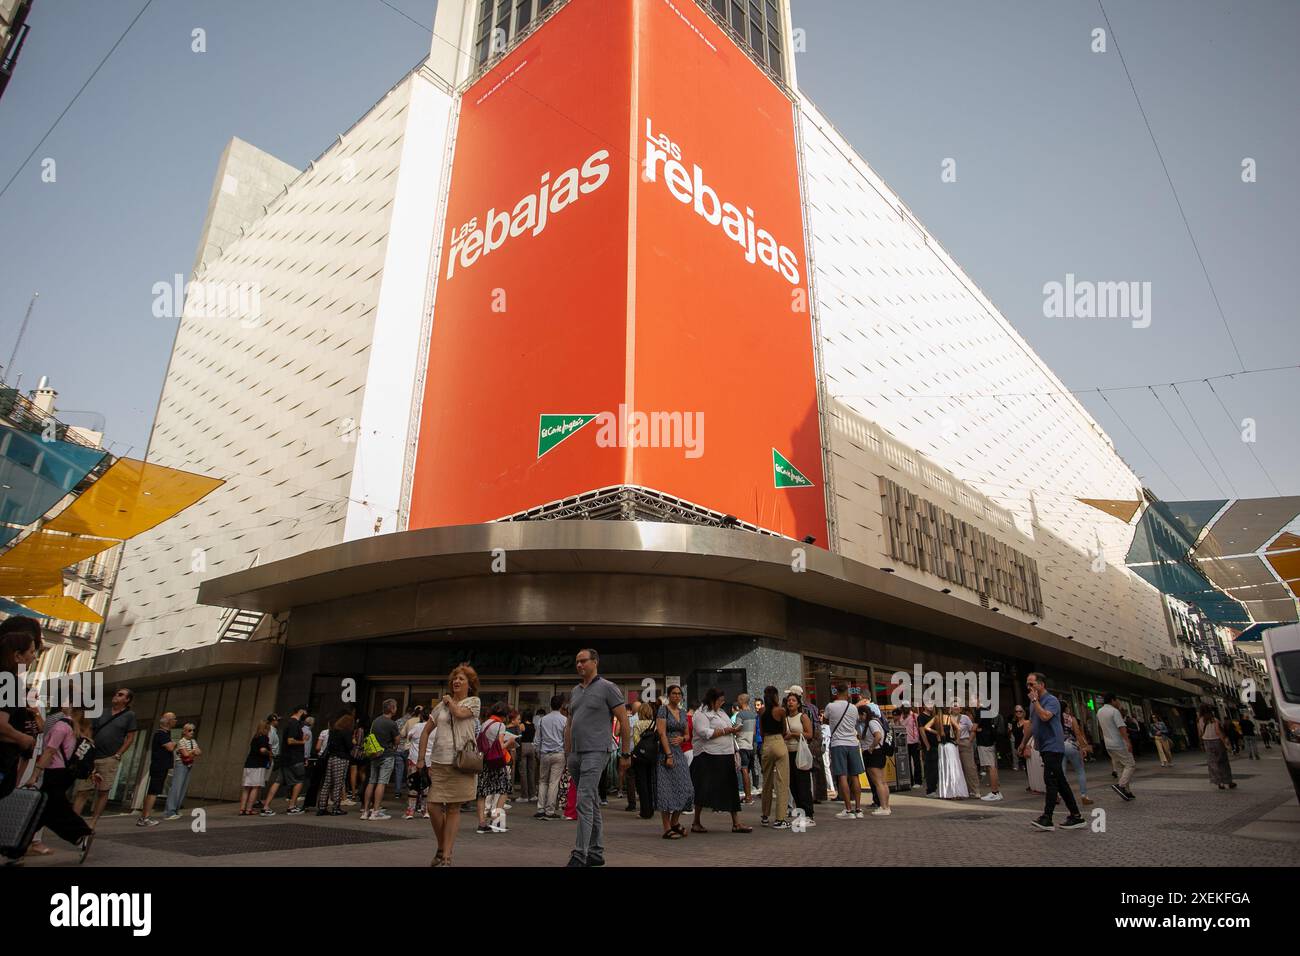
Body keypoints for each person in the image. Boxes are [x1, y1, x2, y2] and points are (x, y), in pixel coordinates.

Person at [563, 649, 631, 867]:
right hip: (575, 754)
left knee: (583, 800)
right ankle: (596, 852)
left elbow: (624, 721)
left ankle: (579, 855)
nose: (579, 665)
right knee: (590, 800)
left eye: (583, 661)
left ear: (595, 662)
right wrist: (567, 752)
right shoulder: (575, 691)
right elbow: (570, 723)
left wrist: (625, 753)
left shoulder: (608, 688)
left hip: (596, 751)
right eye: (577, 662)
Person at [417, 664, 482, 866]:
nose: (456, 681)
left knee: (454, 809)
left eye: (462, 679)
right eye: (455, 678)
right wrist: (421, 759)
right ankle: (441, 847)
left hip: (461, 763)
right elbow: (426, 731)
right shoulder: (440, 707)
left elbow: (460, 714)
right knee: (433, 806)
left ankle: (446, 856)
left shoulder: (474, 702)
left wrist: (449, 701)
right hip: (438, 762)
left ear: (470, 685)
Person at [25, 704, 95, 862]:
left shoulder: (62, 726)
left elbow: (50, 751)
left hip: (55, 773)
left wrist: (34, 775)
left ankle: (82, 833)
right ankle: (18, 846)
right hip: (64, 774)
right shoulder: (74, 727)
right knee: (44, 812)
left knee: (50, 809)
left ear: (71, 708)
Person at [1025, 673, 1085, 831]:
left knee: (1051, 780)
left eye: (1032, 684)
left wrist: (1035, 701)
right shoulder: (1033, 703)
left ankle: (1047, 818)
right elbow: (1032, 725)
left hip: (1054, 746)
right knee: (1059, 782)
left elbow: (1045, 716)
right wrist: (1023, 743)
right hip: (1043, 746)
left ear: (1042, 684)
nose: (1029, 688)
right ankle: (1076, 816)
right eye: (1028, 685)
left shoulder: (1051, 701)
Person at [72, 687, 138, 829]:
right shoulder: (102, 711)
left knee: (103, 791)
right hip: (92, 757)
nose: (116, 696)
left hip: (109, 758)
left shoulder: (129, 715)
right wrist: (88, 743)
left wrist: (118, 754)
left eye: (120, 695)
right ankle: (74, 822)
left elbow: (130, 737)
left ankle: (93, 822)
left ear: (127, 700)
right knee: (83, 790)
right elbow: (90, 728)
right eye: (116, 693)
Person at [687, 688, 751, 834]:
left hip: (725, 754)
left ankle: (736, 822)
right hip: (708, 756)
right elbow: (704, 733)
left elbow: (727, 727)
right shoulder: (701, 714)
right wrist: (725, 731)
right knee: (703, 788)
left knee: (731, 788)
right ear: (712, 700)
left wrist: (733, 730)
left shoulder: (721, 713)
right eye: (720, 700)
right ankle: (696, 821)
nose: (722, 703)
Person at [0, 616, 43, 801]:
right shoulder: (10, 681)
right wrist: (22, 738)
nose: (34, 656)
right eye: (32, 650)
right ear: (17, 654)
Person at [655, 684, 694, 838]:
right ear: (669, 695)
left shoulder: (683, 712)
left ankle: (675, 822)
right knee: (667, 790)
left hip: (679, 752)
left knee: (688, 789)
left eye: (679, 694)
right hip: (666, 753)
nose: (676, 696)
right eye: (673, 693)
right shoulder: (663, 710)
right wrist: (668, 755)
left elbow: (687, 735)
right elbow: (662, 733)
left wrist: (683, 738)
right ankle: (666, 828)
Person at [475, 701, 517, 833]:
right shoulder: (500, 725)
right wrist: (510, 742)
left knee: (482, 792)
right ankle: (496, 818)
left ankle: (482, 823)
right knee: (504, 789)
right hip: (497, 762)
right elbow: (500, 747)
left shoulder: (485, 724)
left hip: (484, 762)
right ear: (504, 715)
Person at [825, 686, 866, 818]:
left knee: (842, 776)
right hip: (853, 743)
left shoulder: (830, 707)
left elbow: (824, 720)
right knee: (855, 776)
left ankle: (848, 810)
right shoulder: (853, 708)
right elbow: (855, 722)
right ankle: (858, 809)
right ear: (847, 693)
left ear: (836, 692)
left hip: (838, 743)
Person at [264, 706, 308, 814]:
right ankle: (292, 806)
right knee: (300, 780)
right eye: (305, 712)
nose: (306, 715)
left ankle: (266, 806)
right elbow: (290, 741)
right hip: (294, 758)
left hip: (286, 758)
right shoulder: (294, 724)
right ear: (301, 711)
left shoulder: (289, 723)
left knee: (278, 781)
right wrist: (303, 741)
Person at [758, 686, 791, 828]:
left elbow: (762, 730)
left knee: (767, 782)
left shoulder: (761, 711)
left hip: (766, 743)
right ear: (776, 696)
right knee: (782, 782)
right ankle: (780, 818)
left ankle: (765, 816)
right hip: (778, 741)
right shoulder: (781, 711)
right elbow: (784, 729)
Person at [362, 698, 400, 821]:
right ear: (392, 708)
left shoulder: (375, 721)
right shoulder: (391, 723)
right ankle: (376, 811)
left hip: (374, 754)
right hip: (387, 754)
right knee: (381, 782)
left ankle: (366, 811)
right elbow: (397, 740)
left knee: (371, 781)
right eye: (395, 707)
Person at [784, 690, 815, 826]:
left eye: (793, 700)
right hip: (787, 753)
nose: (790, 702)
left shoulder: (803, 717)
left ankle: (809, 814)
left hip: (800, 752)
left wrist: (794, 734)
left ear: (798, 704)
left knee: (803, 784)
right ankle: (800, 813)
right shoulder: (784, 718)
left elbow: (809, 734)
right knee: (793, 785)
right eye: (789, 700)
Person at [1096, 693, 1135, 801]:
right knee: (1130, 765)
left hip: (1108, 744)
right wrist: (1128, 742)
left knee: (1120, 767)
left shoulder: (1099, 711)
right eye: (1117, 700)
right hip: (1118, 743)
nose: (1118, 702)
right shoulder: (1114, 711)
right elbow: (1121, 727)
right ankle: (1121, 786)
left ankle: (1127, 791)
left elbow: (1100, 727)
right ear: (1113, 700)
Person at [534, 695, 567, 819]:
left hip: (544, 754)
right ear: (561, 706)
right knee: (554, 782)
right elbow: (566, 739)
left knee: (542, 781)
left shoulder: (542, 720)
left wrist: (538, 752)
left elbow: (537, 739)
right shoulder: (564, 720)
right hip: (559, 753)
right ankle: (550, 810)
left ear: (550, 705)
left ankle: (540, 808)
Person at [163, 722, 201, 820]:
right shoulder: (182, 741)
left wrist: (190, 752)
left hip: (189, 765)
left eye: (193, 730)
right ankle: (169, 812)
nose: (192, 732)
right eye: (189, 730)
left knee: (183, 788)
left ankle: (175, 809)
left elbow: (199, 752)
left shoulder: (193, 741)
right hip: (181, 765)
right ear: (184, 732)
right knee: (176, 787)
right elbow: (185, 754)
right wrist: (192, 752)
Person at [318, 713, 354, 816]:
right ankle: (336, 808)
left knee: (327, 782)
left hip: (331, 758)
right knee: (338, 783)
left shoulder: (333, 731)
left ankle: (322, 807)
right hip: (341, 758)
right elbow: (349, 746)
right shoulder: (346, 732)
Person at [1060, 701, 1093, 806]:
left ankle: (1060, 795)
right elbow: (1077, 733)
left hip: (1058, 746)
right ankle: (1084, 796)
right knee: (1080, 771)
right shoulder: (1071, 718)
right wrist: (1084, 747)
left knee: (1062, 773)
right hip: (1071, 745)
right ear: (1066, 708)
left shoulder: (1054, 718)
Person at [862, 702, 891, 815]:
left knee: (878, 782)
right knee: (882, 782)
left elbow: (878, 736)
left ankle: (883, 806)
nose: (860, 719)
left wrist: (871, 748)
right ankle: (886, 806)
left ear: (864, 714)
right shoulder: (877, 721)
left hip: (874, 754)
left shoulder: (871, 722)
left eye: (860, 716)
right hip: (880, 753)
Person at [1198, 705, 1236, 790]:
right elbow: (1218, 732)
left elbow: (1200, 733)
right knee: (1223, 762)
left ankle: (1220, 783)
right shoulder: (1214, 720)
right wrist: (1225, 742)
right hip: (1217, 741)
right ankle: (1229, 782)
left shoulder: (1199, 721)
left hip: (1207, 743)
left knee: (1213, 763)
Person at [402, 708, 430, 819]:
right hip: (428, 761)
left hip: (414, 759)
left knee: (413, 784)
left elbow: (408, 736)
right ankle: (425, 810)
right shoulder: (435, 728)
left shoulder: (417, 727)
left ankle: (410, 811)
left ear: (421, 717)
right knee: (426, 786)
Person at [936, 703, 968, 800]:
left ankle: (947, 793)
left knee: (945, 768)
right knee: (953, 767)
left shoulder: (937, 718)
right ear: (948, 709)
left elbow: (926, 728)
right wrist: (957, 740)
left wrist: (936, 733)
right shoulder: (949, 718)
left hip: (941, 746)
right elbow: (958, 728)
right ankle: (955, 792)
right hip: (950, 745)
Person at [240, 720, 273, 815]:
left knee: (246, 788)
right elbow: (262, 750)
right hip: (258, 765)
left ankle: (242, 809)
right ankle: (249, 809)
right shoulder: (264, 738)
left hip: (249, 764)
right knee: (255, 787)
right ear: (266, 729)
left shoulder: (255, 738)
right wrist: (269, 752)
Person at [630, 700, 656, 819]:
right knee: (650, 782)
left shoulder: (637, 725)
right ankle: (651, 808)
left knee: (642, 784)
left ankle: (644, 811)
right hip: (652, 757)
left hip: (640, 758)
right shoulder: (655, 724)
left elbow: (636, 741)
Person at [732, 692, 758, 803]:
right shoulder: (753, 715)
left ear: (742, 701)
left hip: (742, 745)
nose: (737, 702)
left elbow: (737, 729)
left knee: (744, 770)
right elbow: (753, 732)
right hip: (750, 745)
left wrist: (732, 729)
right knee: (748, 769)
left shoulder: (740, 715)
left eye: (739, 700)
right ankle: (749, 795)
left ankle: (748, 797)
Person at [975, 704, 1002, 801]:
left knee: (991, 767)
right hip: (989, 740)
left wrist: (975, 728)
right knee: (992, 766)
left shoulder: (980, 711)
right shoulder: (987, 711)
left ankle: (994, 792)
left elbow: (974, 727)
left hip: (984, 742)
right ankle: (996, 792)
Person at [956, 704, 981, 798]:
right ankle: (961, 791)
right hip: (953, 744)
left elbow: (973, 730)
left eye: (957, 706)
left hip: (964, 742)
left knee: (969, 767)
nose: (955, 708)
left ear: (960, 708)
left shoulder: (965, 717)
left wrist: (969, 741)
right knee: (957, 769)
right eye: (953, 706)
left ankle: (975, 790)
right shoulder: (948, 718)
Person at [516, 708, 539, 804]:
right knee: (531, 771)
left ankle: (524, 795)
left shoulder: (522, 725)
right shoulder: (534, 726)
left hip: (524, 747)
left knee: (523, 772)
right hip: (532, 747)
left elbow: (519, 736)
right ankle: (532, 794)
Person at [920, 703, 940, 796]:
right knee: (931, 768)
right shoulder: (921, 717)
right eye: (929, 704)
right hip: (929, 746)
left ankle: (934, 789)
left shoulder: (934, 716)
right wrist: (927, 745)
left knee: (935, 768)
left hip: (936, 744)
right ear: (924, 706)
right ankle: (930, 790)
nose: (931, 706)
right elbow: (922, 731)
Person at [901, 704, 922, 790]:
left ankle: (918, 781)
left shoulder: (915, 716)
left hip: (914, 741)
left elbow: (919, 728)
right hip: (905, 742)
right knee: (907, 763)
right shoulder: (901, 717)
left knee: (916, 762)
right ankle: (910, 780)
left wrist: (920, 740)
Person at [1009, 704, 1026, 772]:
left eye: (1020, 711)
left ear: (1023, 712)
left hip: (1025, 747)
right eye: (1016, 711)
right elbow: (1011, 733)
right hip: (1017, 747)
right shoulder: (1013, 723)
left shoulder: (1027, 722)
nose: (1018, 712)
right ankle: (1017, 765)